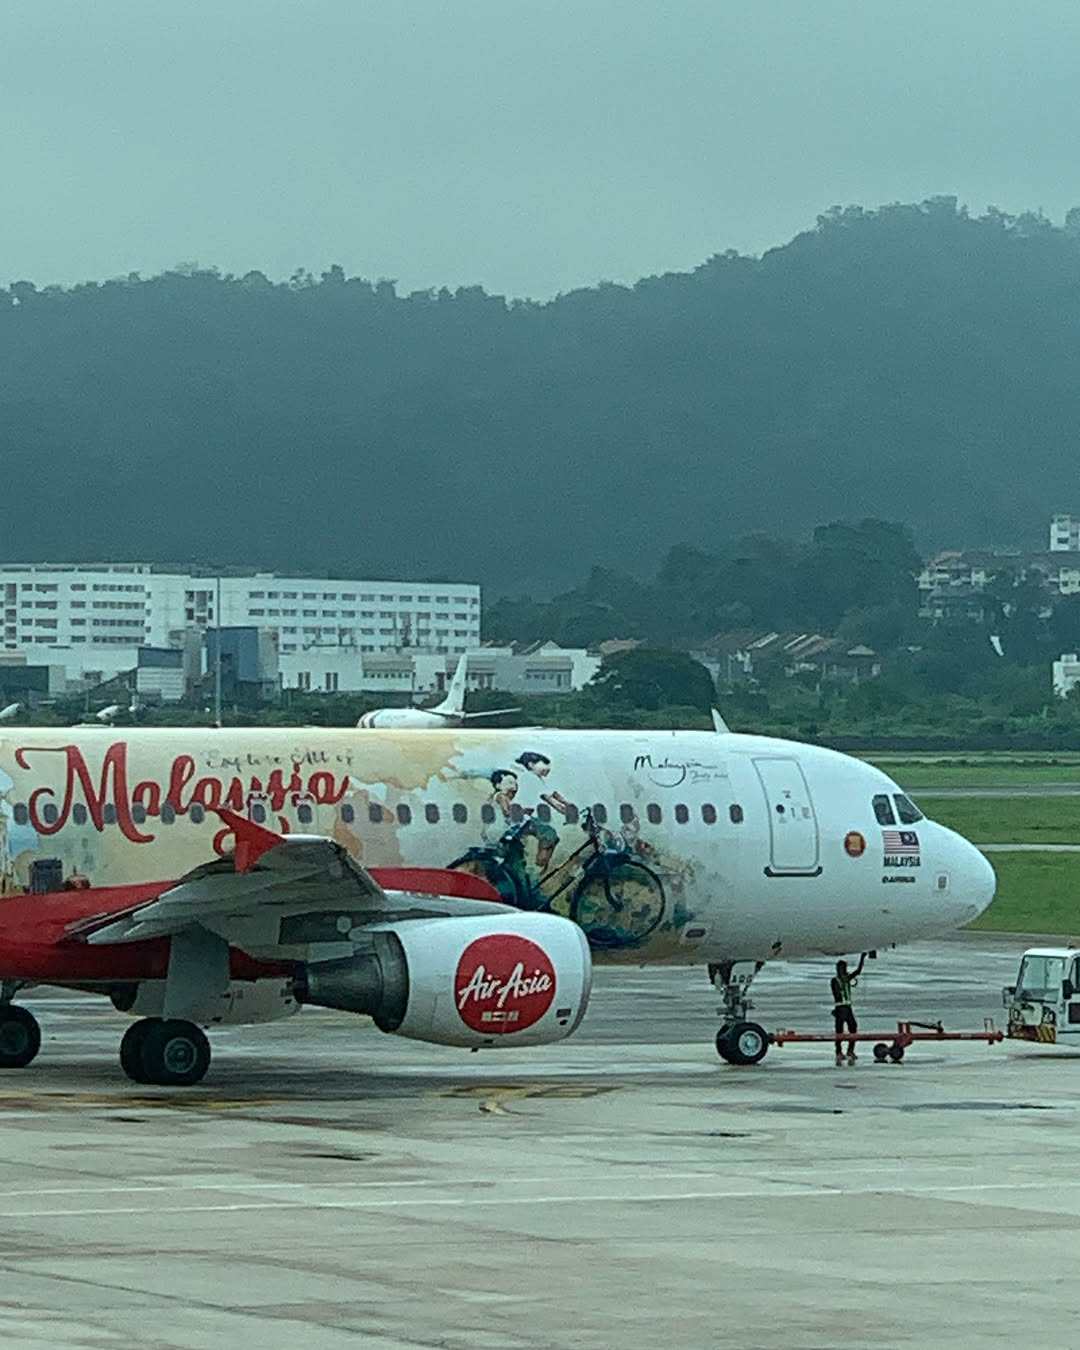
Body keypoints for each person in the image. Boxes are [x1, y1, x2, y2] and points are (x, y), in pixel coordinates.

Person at [830, 954, 867, 1066]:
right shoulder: (835, 981)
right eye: (842, 969)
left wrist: (862, 958)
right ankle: (838, 1052)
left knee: (853, 1028)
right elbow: (837, 994)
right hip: (841, 1007)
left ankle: (850, 1050)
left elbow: (858, 971)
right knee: (839, 1031)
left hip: (847, 1007)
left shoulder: (846, 979)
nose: (844, 970)